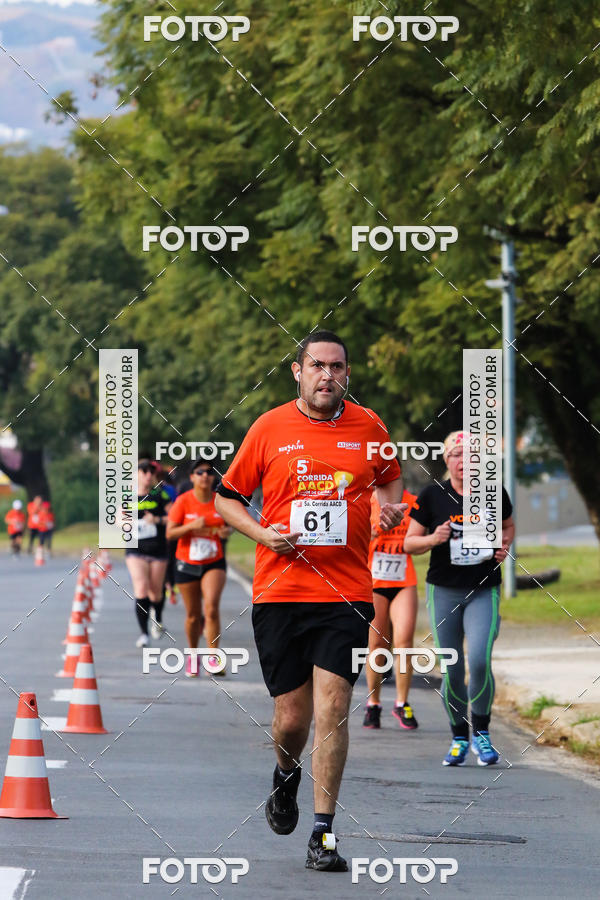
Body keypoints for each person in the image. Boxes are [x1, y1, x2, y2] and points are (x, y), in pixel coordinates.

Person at [215, 330, 405, 873]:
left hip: (345, 594)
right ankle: (284, 773)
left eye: (338, 366)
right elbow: (228, 500)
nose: (328, 375)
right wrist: (261, 535)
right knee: (291, 720)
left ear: (348, 372)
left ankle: (322, 833)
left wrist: (387, 511)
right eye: (317, 365)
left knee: (333, 708)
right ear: (297, 372)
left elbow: (390, 482)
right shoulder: (269, 427)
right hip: (280, 593)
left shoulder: (370, 427)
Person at [403, 430, 515, 767]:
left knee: (479, 660)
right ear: (447, 460)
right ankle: (458, 736)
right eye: (456, 455)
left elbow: (508, 526)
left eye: (471, 455)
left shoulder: (494, 493)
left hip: (483, 589)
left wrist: (503, 547)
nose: (464, 461)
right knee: (453, 667)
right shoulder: (432, 496)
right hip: (444, 590)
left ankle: (482, 733)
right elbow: (409, 543)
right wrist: (434, 539)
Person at [167, 460, 231, 677]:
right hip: (187, 562)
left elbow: (231, 524)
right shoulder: (183, 502)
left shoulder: (220, 501)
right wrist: (191, 526)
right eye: (200, 472)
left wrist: (227, 532)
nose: (205, 476)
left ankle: (214, 659)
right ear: (192, 477)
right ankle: (193, 655)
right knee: (193, 615)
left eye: (209, 472)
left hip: (214, 561)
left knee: (211, 608)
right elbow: (170, 533)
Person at [363, 488, 419, 731]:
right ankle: (373, 704)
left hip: (403, 580)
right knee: (377, 644)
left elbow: (420, 535)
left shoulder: (412, 502)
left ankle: (401, 702)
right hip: (374, 582)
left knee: (404, 641)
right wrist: (370, 533)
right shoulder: (363, 500)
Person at [125, 460, 172, 647]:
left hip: (158, 549)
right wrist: (124, 523)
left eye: (151, 471)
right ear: (136, 474)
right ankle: (144, 633)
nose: (147, 474)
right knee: (141, 587)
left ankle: (157, 617)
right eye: (143, 471)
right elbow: (118, 516)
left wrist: (157, 519)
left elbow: (174, 516)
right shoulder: (127, 495)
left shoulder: (159, 494)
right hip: (136, 549)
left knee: (156, 591)